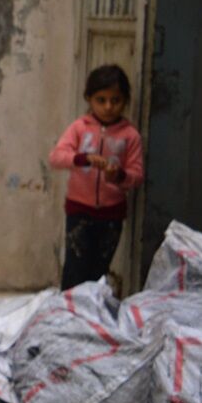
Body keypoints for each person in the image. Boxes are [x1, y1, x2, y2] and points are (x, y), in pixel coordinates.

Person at [47, 64, 145, 290]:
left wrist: (118, 175)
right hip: (79, 210)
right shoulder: (79, 128)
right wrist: (83, 159)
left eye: (115, 100)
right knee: (75, 269)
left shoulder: (130, 135)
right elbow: (56, 157)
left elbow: (137, 175)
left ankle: (93, 311)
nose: (108, 107)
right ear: (89, 99)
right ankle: (69, 308)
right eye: (101, 100)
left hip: (111, 214)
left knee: (99, 271)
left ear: (125, 101)